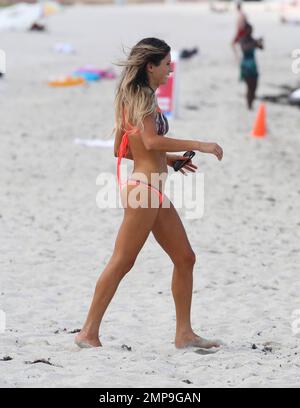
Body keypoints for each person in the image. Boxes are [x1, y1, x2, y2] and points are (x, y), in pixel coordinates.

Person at [75, 38, 223, 350]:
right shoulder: (141, 97)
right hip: (143, 191)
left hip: (151, 189)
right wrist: (200, 144)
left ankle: (184, 334)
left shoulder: (139, 97)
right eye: (167, 64)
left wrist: (169, 161)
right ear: (150, 66)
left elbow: (122, 148)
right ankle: (88, 332)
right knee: (122, 261)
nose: (171, 69)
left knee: (185, 257)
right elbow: (152, 142)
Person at [239, 23, 264, 110]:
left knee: (255, 86)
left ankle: (251, 103)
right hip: (246, 65)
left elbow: (261, 48)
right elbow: (244, 48)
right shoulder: (243, 40)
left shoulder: (253, 40)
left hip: (253, 65)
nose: (250, 32)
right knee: (249, 86)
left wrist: (259, 42)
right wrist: (255, 43)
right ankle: (249, 105)